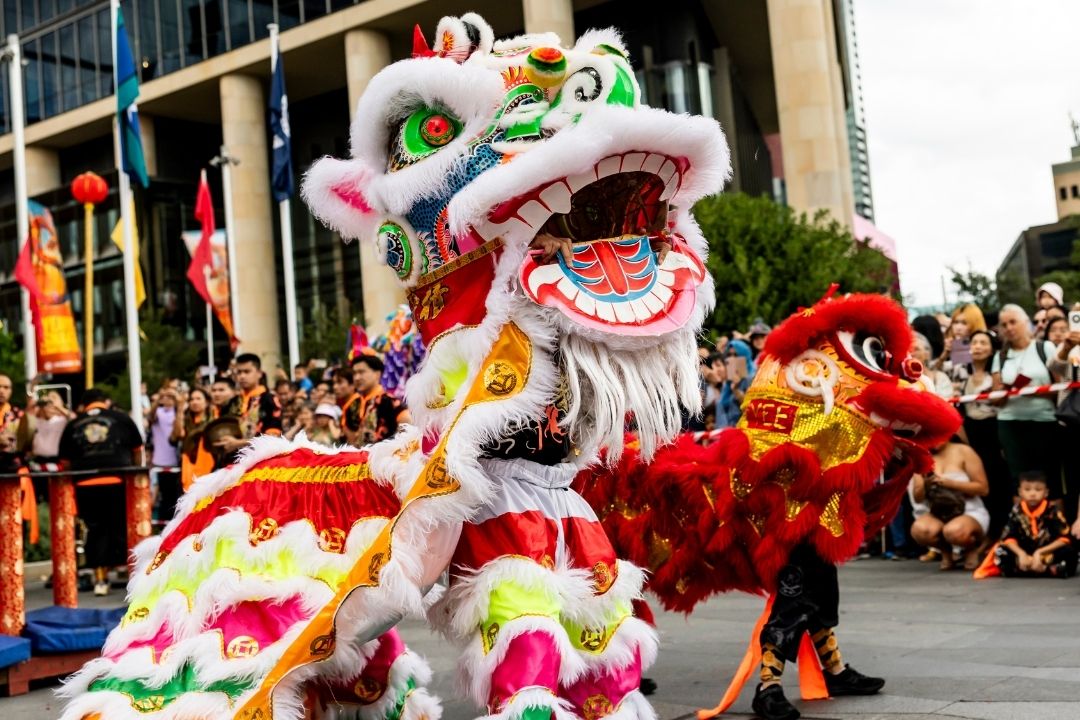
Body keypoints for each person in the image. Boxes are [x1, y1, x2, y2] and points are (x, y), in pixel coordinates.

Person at [58, 389, 143, 596]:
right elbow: (138, 450)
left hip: (85, 485)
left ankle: (101, 579)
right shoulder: (122, 419)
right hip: (118, 481)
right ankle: (130, 576)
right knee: (120, 525)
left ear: (83, 405)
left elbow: (65, 462)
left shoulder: (72, 425)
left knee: (95, 530)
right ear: (105, 401)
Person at [991, 304, 1062, 505]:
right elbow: (996, 397)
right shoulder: (1001, 356)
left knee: (1049, 476)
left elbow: (1061, 387)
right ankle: (1021, 531)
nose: (1009, 328)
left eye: (1013, 322)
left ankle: (1058, 531)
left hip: (1044, 421)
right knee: (1018, 478)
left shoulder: (1045, 347)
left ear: (1026, 323)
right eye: (1004, 324)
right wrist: (1007, 389)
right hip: (1010, 422)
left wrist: (1034, 389)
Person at [909, 440, 990, 570]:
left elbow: (983, 489)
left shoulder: (964, 451)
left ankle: (971, 549)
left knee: (954, 531)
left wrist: (950, 484)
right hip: (937, 510)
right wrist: (923, 483)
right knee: (920, 530)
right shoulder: (922, 455)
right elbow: (918, 499)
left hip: (968, 510)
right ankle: (946, 552)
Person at [960, 330, 1012, 534]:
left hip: (993, 431)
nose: (978, 347)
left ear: (991, 349)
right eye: (974, 342)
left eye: (983, 343)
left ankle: (1001, 531)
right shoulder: (963, 374)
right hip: (972, 433)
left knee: (998, 481)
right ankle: (984, 532)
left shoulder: (997, 376)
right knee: (978, 482)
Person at [993, 472, 1076, 577]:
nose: (1032, 494)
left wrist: (1039, 552)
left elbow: (1064, 538)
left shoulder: (1052, 510)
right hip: (1024, 552)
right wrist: (1021, 554)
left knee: (1070, 552)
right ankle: (1026, 567)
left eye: (1038, 490)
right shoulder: (1016, 510)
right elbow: (1009, 537)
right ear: (1020, 492)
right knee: (1000, 551)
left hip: (1047, 552)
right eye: (1027, 490)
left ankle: (1042, 570)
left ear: (1046, 492)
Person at [213, 353, 282, 457]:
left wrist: (237, 443)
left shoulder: (269, 399)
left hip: (260, 462)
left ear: (259, 373)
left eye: (247, 371)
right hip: (232, 464)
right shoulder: (233, 401)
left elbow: (273, 437)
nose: (242, 376)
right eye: (239, 372)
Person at [350, 354, 409, 444]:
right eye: (354, 373)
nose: (356, 378)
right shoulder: (355, 403)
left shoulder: (389, 401)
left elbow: (407, 421)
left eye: (361, 372)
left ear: (377, 374)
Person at [147, 382, 181, 519]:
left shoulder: (178, 413)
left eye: (170, 397)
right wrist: (159, 398)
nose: (167, 399)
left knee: (175, 494)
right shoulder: (158, 413)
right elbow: (150, 416)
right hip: (160, 460)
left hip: (176, 458)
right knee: (164, 493)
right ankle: (163, 521)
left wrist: (178, 400)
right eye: (165, 397)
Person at [176, 387, 214, 492]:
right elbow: (177, 435)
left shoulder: (214, 420)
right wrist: (180, 409)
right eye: (192, 399)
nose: (194, 402)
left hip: (209, 470)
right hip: (188, 469)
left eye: (198, 399)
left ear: (206, 402)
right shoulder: (186, 421)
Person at [715, 338, 753, 428]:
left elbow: (751, 409)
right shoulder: (728, 381)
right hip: (727, 430)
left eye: (736, 354)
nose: (732, 358)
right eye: (729, 354)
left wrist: (736, 390)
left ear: (744, 355)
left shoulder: (752, 378)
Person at [911, 333, 953, 398]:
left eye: (916, 349)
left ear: (927, 354)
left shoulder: (940, 378)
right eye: (909, 350)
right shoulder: (901, 380)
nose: (911, 353)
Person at [0, 374, 24, 474]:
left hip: (12, 470)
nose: (1, 391)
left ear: (11, 391)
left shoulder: (19, 415)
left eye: (6, 387)